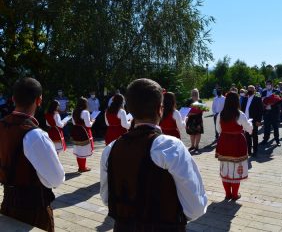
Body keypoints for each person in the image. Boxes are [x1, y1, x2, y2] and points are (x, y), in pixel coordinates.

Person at [100, 78, 207, 231]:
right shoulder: (171, 147)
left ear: (129, 109)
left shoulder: (111, 149)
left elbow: (107, 198)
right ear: (160, 109)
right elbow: (195, 207)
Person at [0, 78, 65, 232]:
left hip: (8, 203)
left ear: (13, 99)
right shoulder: (36, 135)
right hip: (34, 209)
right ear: (39, 100)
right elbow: (56, 179)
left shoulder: (1, 125)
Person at [216, 92, 253, 200]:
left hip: (224, 142)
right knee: (236, 169)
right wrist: (250, 124)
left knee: (225, 168)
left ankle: (227, 194)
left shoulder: (221, 114)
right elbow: (248, 128)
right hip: (237, 143)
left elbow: (219, 130)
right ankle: (235, 194)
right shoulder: (240, 114)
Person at [71, 97, 95, 172]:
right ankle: (82, 167)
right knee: (83, 149)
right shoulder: (85, 112)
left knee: (78, 149)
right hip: (84, 131)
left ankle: (81, 166)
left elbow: (74, 123)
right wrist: (93, 121)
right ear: (85, 104)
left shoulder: (74, 111)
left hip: (76, 131)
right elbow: (88, 125)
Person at [241, 85, 263, 156]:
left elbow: (260, 111)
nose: (249, 90)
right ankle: (249, 151)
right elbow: (242, 109)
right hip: (246, 120)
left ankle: (255, 151)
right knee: (247, 136)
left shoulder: (258, 99)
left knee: (254, 136)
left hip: (254, 120)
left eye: (251, 89)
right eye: (248, 89)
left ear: (254, 91)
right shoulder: (244, 98)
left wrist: (258, 121)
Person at [261, 80, 282, 146]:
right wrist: (264, 103)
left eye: (269, 84)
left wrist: (272, 103)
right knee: (266, 126)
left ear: (272, 85)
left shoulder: (277, 91)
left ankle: (277, 140)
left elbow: (280, 101)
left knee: (275, 127)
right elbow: (261, 101)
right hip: (266, 112)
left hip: (274, 112)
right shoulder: (264, 92)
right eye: (267, 84)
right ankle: (265, 139)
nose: (268, 85)